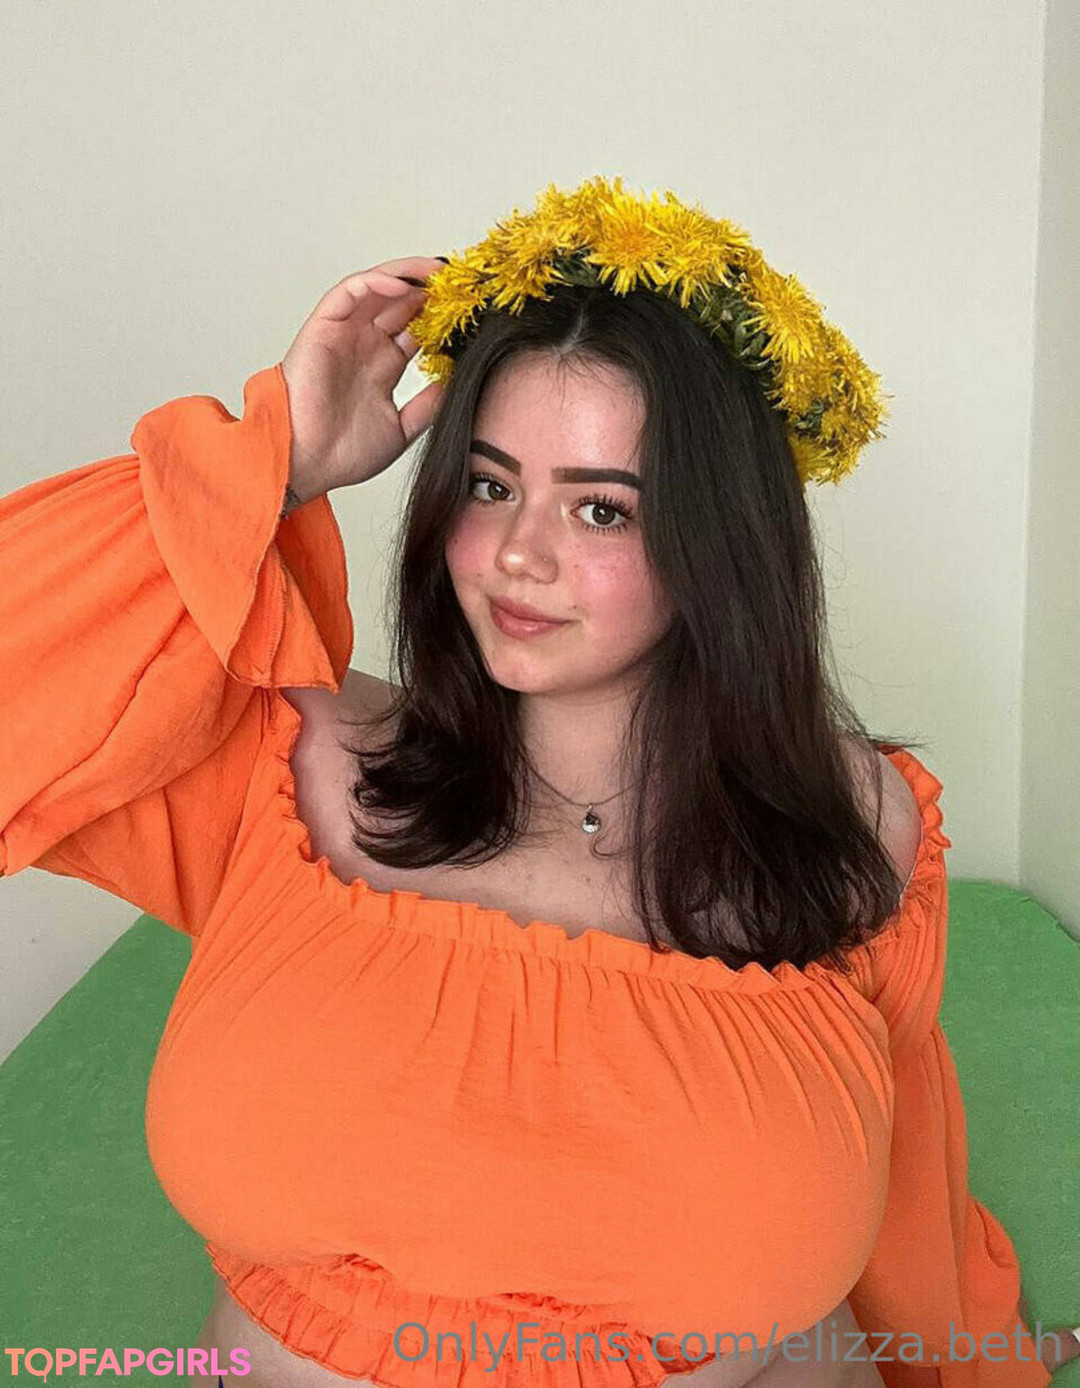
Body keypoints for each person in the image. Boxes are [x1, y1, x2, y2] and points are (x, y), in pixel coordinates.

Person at [2, 177, 1077, 1388]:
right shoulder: (289, 762)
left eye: (602, 509)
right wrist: (276, 463)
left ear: (724, 544)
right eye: (491, 483)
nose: (519, 553)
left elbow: (902, 1159)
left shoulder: (854, 828)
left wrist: (967, 1355)